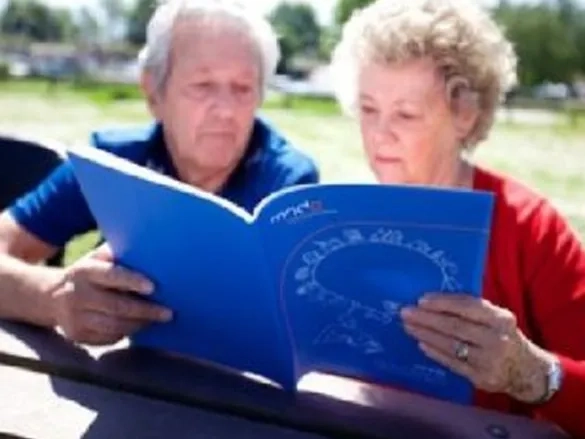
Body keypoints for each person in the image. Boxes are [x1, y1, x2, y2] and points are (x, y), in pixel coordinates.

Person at [329, 0, 585, 436]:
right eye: (368, 109)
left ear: (464, 115)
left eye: (405, 114)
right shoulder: (338, 220)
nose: (378, 133)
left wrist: (533, 375)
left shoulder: (529, 227)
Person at [0, 0, 318, 346]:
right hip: (110, 381)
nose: (226, 110)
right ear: (154, 92)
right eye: (203, 85)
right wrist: (53, 299)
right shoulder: (111, 161)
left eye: (243, 88)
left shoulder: (286, 184)